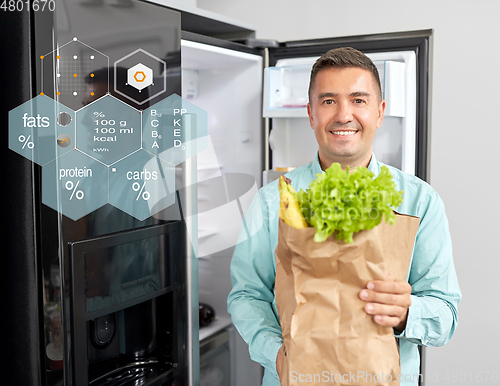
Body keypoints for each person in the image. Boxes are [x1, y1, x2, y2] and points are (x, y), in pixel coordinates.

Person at [227, 47, 461, 386]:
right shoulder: (272, 201)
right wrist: (277, 353)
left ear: (379, 113)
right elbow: (247, 295)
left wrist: (407, 313)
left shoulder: (420, 202)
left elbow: (447, 314)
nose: (343, 115)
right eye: (328, 101)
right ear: (310, 114)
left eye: (359, 100)